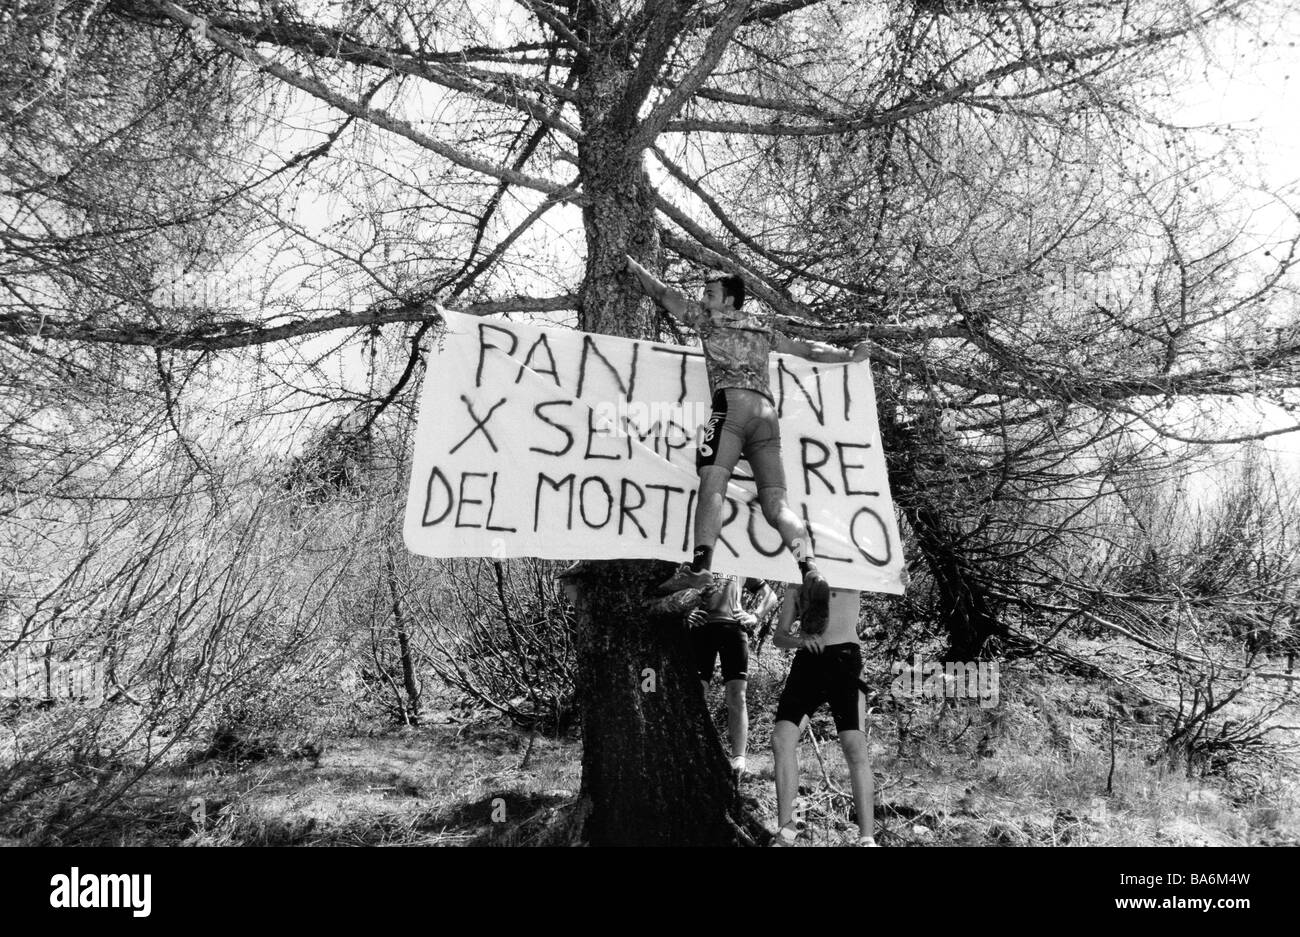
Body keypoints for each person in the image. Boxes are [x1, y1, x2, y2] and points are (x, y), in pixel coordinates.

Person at [624, 255, 870, 633]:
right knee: (777, 505)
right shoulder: (764, 325)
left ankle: (701, 567)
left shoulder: (709, 319)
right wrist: (849, 356)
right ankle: (810, 567)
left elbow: (662, 294)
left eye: (710, 293)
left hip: (732, 407)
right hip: (766, 415)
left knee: (712, 484)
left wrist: (636, 269)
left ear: (729, 300)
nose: (703, 298)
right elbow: (809, 350)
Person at [769, 583, 877, 847]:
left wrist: (900, 576)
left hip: (844, 660)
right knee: (782, 740)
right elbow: (779, 636)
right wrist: (800, 639)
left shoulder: (851, 570)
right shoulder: (796, 581)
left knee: (854, 747)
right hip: (808, 663)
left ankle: (867, 839)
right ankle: (787, 831)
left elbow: (884, 572)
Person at [685, 574, 777, 777]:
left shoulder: (740, 560)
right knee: (697, 693)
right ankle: (694, 751)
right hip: (701, 628)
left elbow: (770, 595)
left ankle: (739, 760)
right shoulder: (700, 557)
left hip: (734, 629)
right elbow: (676, 588)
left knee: (737, 695)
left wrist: (756, 616)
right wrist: (687, 611)